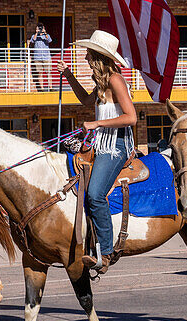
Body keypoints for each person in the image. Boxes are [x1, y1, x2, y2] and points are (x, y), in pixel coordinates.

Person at [57, 30, 137, 274]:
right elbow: (84, 101)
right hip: (103, 143)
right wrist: (68, 74)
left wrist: (97, 124)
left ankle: (106, 251)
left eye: (88, 55)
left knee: (94, 194)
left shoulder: (115, 80)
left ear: (98, 57)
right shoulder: (102, 83)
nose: (85, 59)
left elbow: (131, 117)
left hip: (117, 146)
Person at [27, 22, 53, 92]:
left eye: (41, 28)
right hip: (37, 57)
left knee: (48, 72)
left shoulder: (46, 35)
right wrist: (36, 33)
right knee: (40, 73)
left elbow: (50, 40)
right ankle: (41, 88)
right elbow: (32, 41)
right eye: (39, 28)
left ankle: (51, 88)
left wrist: (45, 33)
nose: (40, 29)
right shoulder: (34, 36)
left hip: (46, 57)